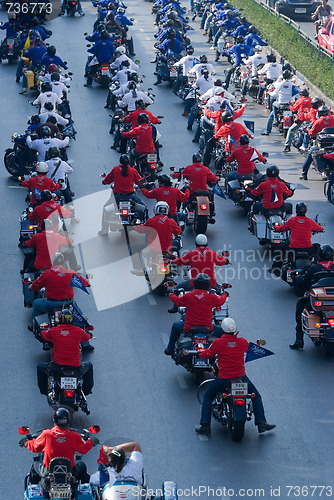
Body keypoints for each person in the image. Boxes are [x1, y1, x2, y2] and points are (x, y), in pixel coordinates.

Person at [191, 318, 276, 436]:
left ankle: (205, 426)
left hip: (223, 378)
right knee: (256, 397)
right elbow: (252, 349)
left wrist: (199, 352)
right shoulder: (242, 341)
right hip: (241, 376)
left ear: (222, 330)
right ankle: (261, 423)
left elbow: (207, 354)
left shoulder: (218, 343)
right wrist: (259, 344)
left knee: (208, 397)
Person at [20, 408, 98, 484]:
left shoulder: (47, 434)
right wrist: (92, 442)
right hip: (70, 471)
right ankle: (84, 487)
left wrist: (26, 443)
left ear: (54, 420)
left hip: (48, 472)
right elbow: (84, 448)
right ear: (68, 420)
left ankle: (34, 487)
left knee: (35, 466)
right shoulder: (74, 436)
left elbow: (35, 447)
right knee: (81, 465)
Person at [165, 273, 228, 355]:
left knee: (175, 326)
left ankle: (170, 349)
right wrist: (225, 294)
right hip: (208, 327)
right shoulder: (212, 297)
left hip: (189, 327)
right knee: (224, 332)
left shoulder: (188, 296)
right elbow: (221, 301)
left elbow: (177, 301)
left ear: (194, 284)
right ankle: (226, 353)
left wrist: (171, 294)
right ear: (208, 285)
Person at [37, 308, 94, 398]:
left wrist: (42, 330)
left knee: (40, 367)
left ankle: (45, 391)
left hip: (57, 367)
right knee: (89, 365)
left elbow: (44, 335)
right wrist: (90, 334)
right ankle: (86, 391)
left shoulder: (54, 331)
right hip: (76, 367)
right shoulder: (78, 331)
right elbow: (87, 337)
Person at [291, 245, 334, 349]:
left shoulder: (314, 268)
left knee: (300, 306)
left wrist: (296, 278)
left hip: (319, 303)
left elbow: (304, 281)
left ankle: (299, 340)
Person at [28, 252, 90, 319]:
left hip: (50, 303)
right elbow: (84, 283)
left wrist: (30, 287)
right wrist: (88, 284)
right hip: (68, 303)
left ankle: (34, 325)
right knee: (82, 319)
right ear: (63, 262)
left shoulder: (46, 274)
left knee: (36, 303)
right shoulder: (71, 273)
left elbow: (35, 286)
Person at [98, 154, 146, 236]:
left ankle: (104, 230)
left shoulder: (115, 169)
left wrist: (104, 182)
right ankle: (146, 227)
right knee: (144, 207)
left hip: (117, 197)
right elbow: (139, 181)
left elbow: (108, 179)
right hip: (131, 196)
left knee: (105, 208)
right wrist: (144, 182)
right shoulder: (133, 171)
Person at [270, 202, 323, 273]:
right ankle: (319, 267)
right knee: (318, 246)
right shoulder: (310, 221)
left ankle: (276, 268)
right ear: (305, 211)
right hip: (308, 249)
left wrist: (276, 230)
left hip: (293, 249)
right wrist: (321, 229)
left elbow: (282, 227)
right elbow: (319, 228)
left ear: (296, 210)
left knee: (280, 246)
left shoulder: (292, 220)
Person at [300, 106, 334, 180]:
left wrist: (307, 131)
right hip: (332, 145)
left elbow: (312, 133)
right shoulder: (333, 119)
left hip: (322, 146)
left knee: (310, 154)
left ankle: (304, 173)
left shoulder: (318, 122)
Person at [261, 70, 299, 136]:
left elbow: (274, 94)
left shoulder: (280, 84)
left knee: (273, 108)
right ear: (290, 76)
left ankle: (271, 126)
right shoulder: (293, 85)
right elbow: (298, 94)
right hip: (290, 106)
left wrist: (269, 93)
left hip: (281, 105)